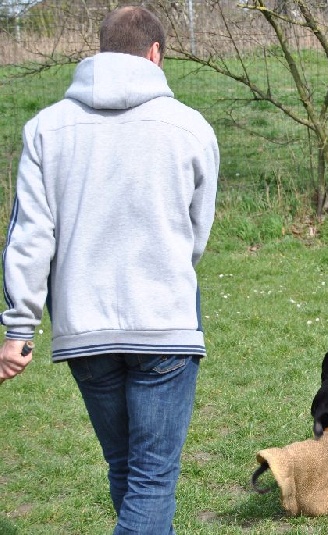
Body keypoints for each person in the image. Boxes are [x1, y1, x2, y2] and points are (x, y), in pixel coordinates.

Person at [0, 6, 218, 533]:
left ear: (100, 50)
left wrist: (18, 328)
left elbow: (29, 237)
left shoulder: (45, 129)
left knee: (127, 470)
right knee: (152, 480)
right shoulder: (190, 127)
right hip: (164, 325)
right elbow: (197, 234)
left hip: (84, 327)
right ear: (155, 54)